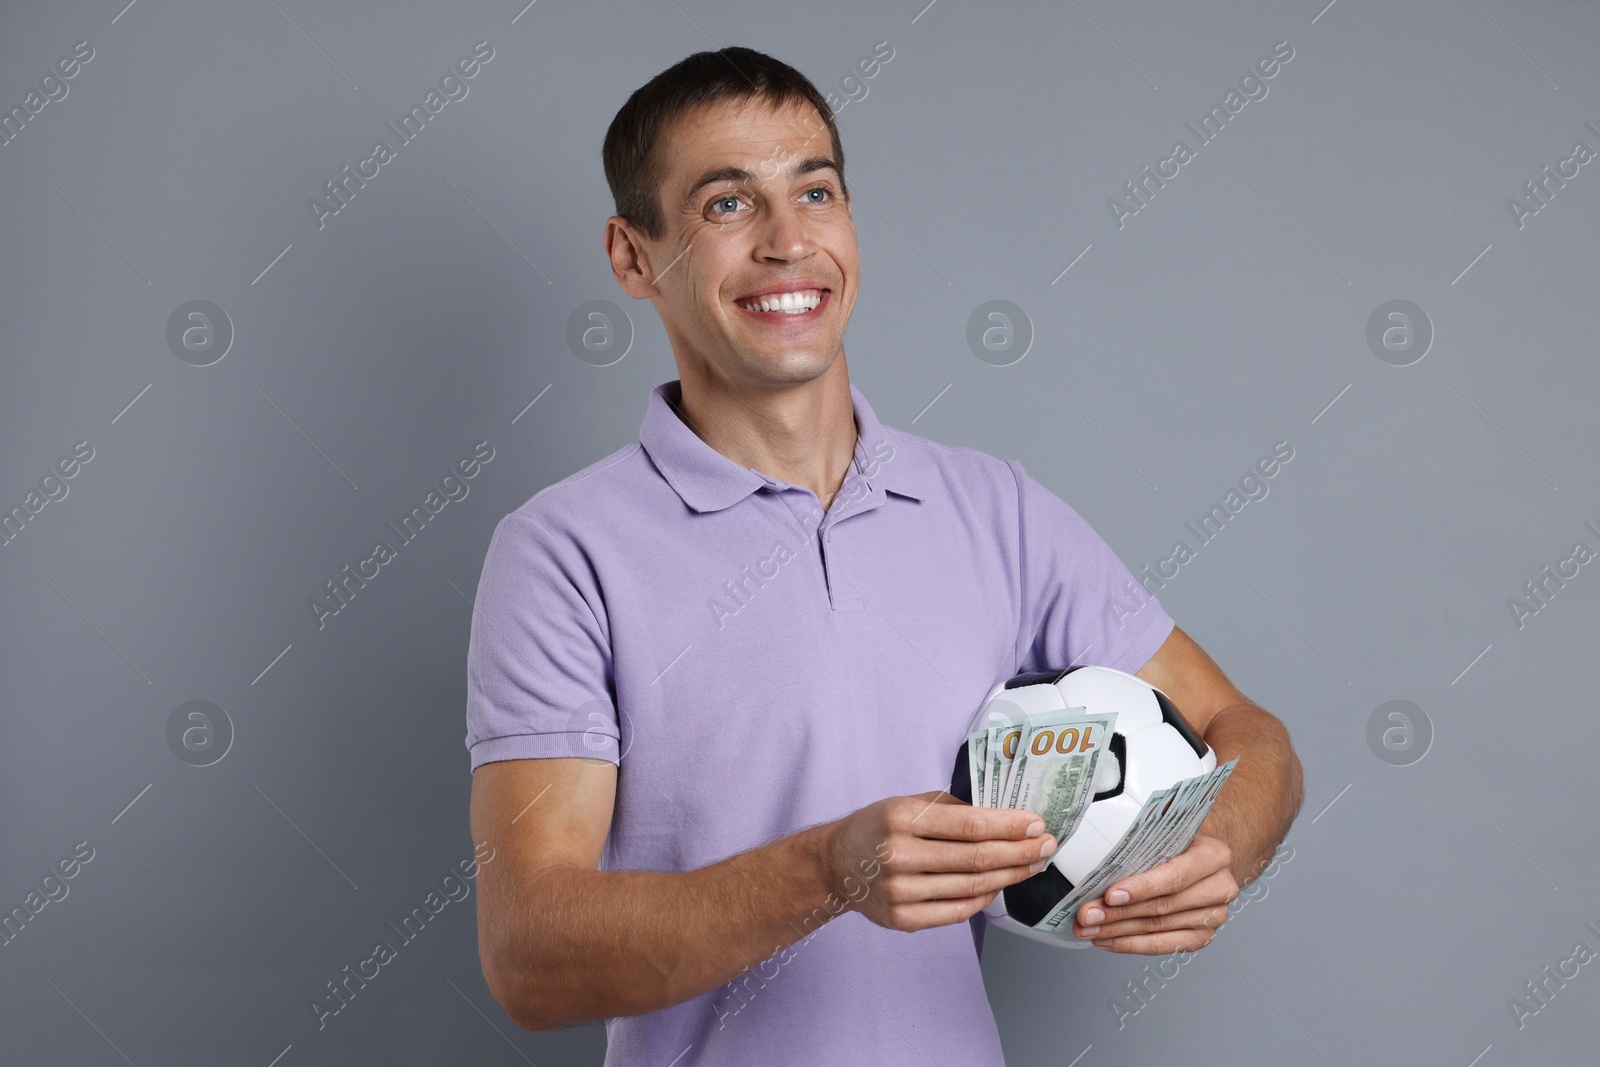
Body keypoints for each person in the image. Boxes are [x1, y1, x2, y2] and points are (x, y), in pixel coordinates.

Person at [465, 45, 1303, 1067]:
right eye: (726, 205)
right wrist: (825, 870)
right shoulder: (563, 552)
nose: (787, 241)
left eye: (814, 192)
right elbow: (529, 953)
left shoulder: (996, 509)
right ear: (633, 256)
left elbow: (1245, 731)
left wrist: (1215, 850)